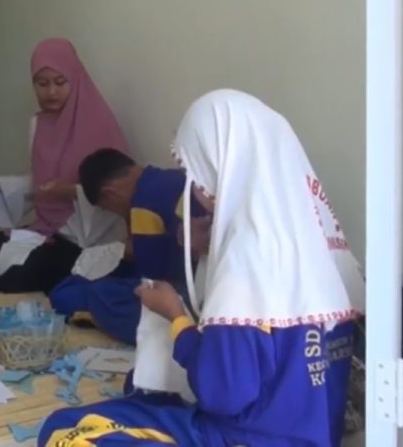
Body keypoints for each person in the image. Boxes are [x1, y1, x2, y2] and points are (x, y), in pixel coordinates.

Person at [39, 90, 365, 447]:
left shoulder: (247, 264)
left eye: (193, 172)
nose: (195, 187)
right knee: (142, 388)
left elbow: (224, 395)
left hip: (242, 436)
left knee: (65, 430)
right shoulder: (318, 245)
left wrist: (177, 320)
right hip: (310, 435)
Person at [0, 37, 130, 294]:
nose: (51, 92)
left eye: (60, 82)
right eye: (42, 84)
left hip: (88, 239)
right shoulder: (38, 124)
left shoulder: (100, 125)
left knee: (18, 274)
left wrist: (70, 191)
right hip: (50, 231)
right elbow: (42, 182)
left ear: (75, 79)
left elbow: (116, 193)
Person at [48, 148, 211, 345]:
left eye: (107, 208)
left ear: (110, 194)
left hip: (187, 300)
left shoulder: (143, 204)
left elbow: (150, 280)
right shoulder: (175, 177)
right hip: (207, 288)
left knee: (75, 294)